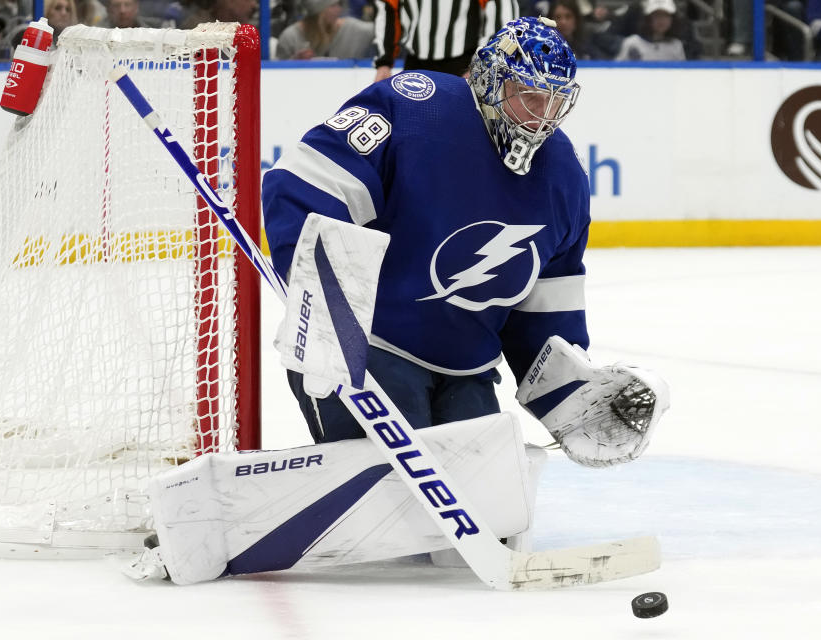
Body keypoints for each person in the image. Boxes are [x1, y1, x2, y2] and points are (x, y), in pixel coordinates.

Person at [262, 15, 668, 467]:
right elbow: (305, 185)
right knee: (399, 502)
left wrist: (574, 398)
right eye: (530, 96)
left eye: (556, 103)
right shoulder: (417, 105)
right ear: (492, 80)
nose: (542, 117)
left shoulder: (564, 178)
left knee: (485, 506)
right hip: (367, 350)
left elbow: (544, 312)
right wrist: (324, 311)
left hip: (467, 369)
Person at [371, 0, 517, 81]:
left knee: (460, 127)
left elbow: (503, 13)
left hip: (464, 65)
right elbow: (387, 9)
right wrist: (384, 63)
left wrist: (481, 64)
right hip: (415, 64)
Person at [275, 0, 374, 59]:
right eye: (333, 5)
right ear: (318, 11)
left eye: (339, 4)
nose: (338, 10)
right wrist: (295, 63)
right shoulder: (290, 37)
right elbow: (276, 74)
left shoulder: (353, 29)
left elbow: (383, 30)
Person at [614, 0, 688, 60]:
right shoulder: (632, 43)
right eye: (657, 15)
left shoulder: (676, 45)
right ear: (648, 19)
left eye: (666, 16)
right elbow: (618, 72)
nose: (661, 20)